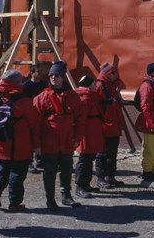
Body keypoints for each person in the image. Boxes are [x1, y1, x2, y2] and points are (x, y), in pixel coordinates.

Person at [0, 69, 40, 213]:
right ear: (17, 83)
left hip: (1, 140)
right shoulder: (23, 100)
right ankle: (15, 203)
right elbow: (33, 122)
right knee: (18, 173)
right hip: (20, 142)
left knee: (3, 168)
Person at [33, 61, 81, 210]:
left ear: (62, 77)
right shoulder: (41, 98)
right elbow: (35, 124)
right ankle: (50, 200)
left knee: (66, 170)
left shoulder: (73, 97)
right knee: (49, 172)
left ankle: (66, 196)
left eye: (57, 75)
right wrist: (37, 145)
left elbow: (80, 119)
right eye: (51, 75)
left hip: (67, 140)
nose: (53, 77)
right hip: (49, 141)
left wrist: (77, 138)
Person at [95, 62, 126, 188]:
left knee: (112, 153)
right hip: (105, 125)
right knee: (102, 153)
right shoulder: (100, 86)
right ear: (107, 73)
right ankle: (101, 177)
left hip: (113, 124)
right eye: (113, 72)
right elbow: (97, 106)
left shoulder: (111, 86)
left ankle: (110, 176)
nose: (115, 74)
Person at [74, 74, 106, 198]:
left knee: (88, 159)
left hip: (91, 132)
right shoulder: (85, 99)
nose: (96, 86)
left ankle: (85, 184)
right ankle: (80, 186)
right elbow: (81, 119)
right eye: (94, 84)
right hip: (87, 133)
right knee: (84, 160)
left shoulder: (89, 97)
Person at [23, 61, 51, 174]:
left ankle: (40, 160)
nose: (41, 74)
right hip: (30, 115)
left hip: (42, 115)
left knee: (42, 137)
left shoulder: (44, 85)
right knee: (29, 139)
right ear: (32, 73)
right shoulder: (25, 86)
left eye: (42, 71)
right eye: (38, 72)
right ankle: (28, 162)